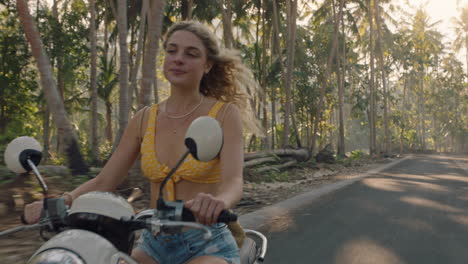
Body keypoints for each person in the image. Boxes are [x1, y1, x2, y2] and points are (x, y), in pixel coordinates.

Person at [24, 20, 261, 264]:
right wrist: (62, 200)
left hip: (206, 241)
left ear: (208, 64)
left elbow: (233, 181)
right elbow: (105, 180)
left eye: (191, 54)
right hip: (153, 243)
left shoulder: (223, 114)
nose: (178, 59)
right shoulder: (144, 119)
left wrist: (217, 202)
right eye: (172, 50)